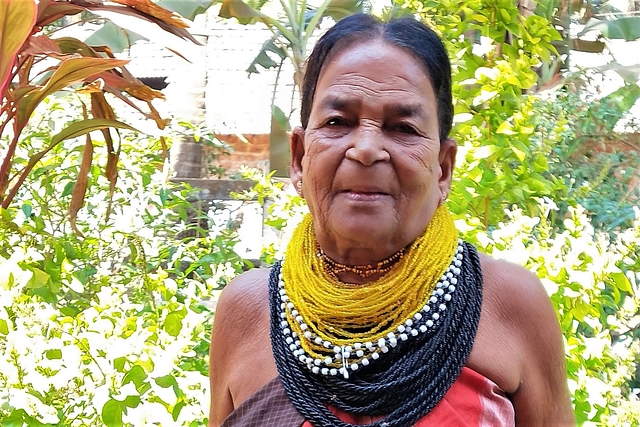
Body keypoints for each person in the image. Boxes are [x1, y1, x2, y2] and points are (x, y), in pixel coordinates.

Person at [209, 13, 575, 427]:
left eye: (402, 127)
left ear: (443, 168)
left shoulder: (511, 304)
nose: (366, 149)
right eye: (337, 122)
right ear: (298, 157)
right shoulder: (246, 310)